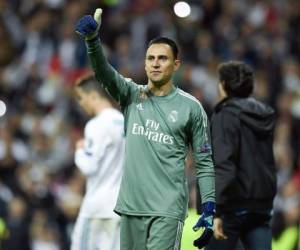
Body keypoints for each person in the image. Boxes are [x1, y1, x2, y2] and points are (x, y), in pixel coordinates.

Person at [75, 8, 216, 250]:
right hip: (130, 208)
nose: (155, 64)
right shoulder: (131, 94)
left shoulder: (191, 108)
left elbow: (204, 161)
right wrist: (93, 42)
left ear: (176, 64)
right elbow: (104, 74)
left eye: (162, 58)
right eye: (150, 58)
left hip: (167, 210)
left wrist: (209, 206)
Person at [206, 61, 277, 250]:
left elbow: (224, 165)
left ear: (224, 85)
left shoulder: (224, 115)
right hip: (261, 206)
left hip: (233, 206)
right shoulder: (265, 114)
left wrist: (216, 211)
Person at [72, 74, 125, 250]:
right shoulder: (127, 123)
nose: (81, 103)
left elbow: (89, 166)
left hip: (96, 207)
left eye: (81, 97)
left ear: (94, 95)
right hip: (119, 207)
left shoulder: (96, 125)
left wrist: (79, 150)